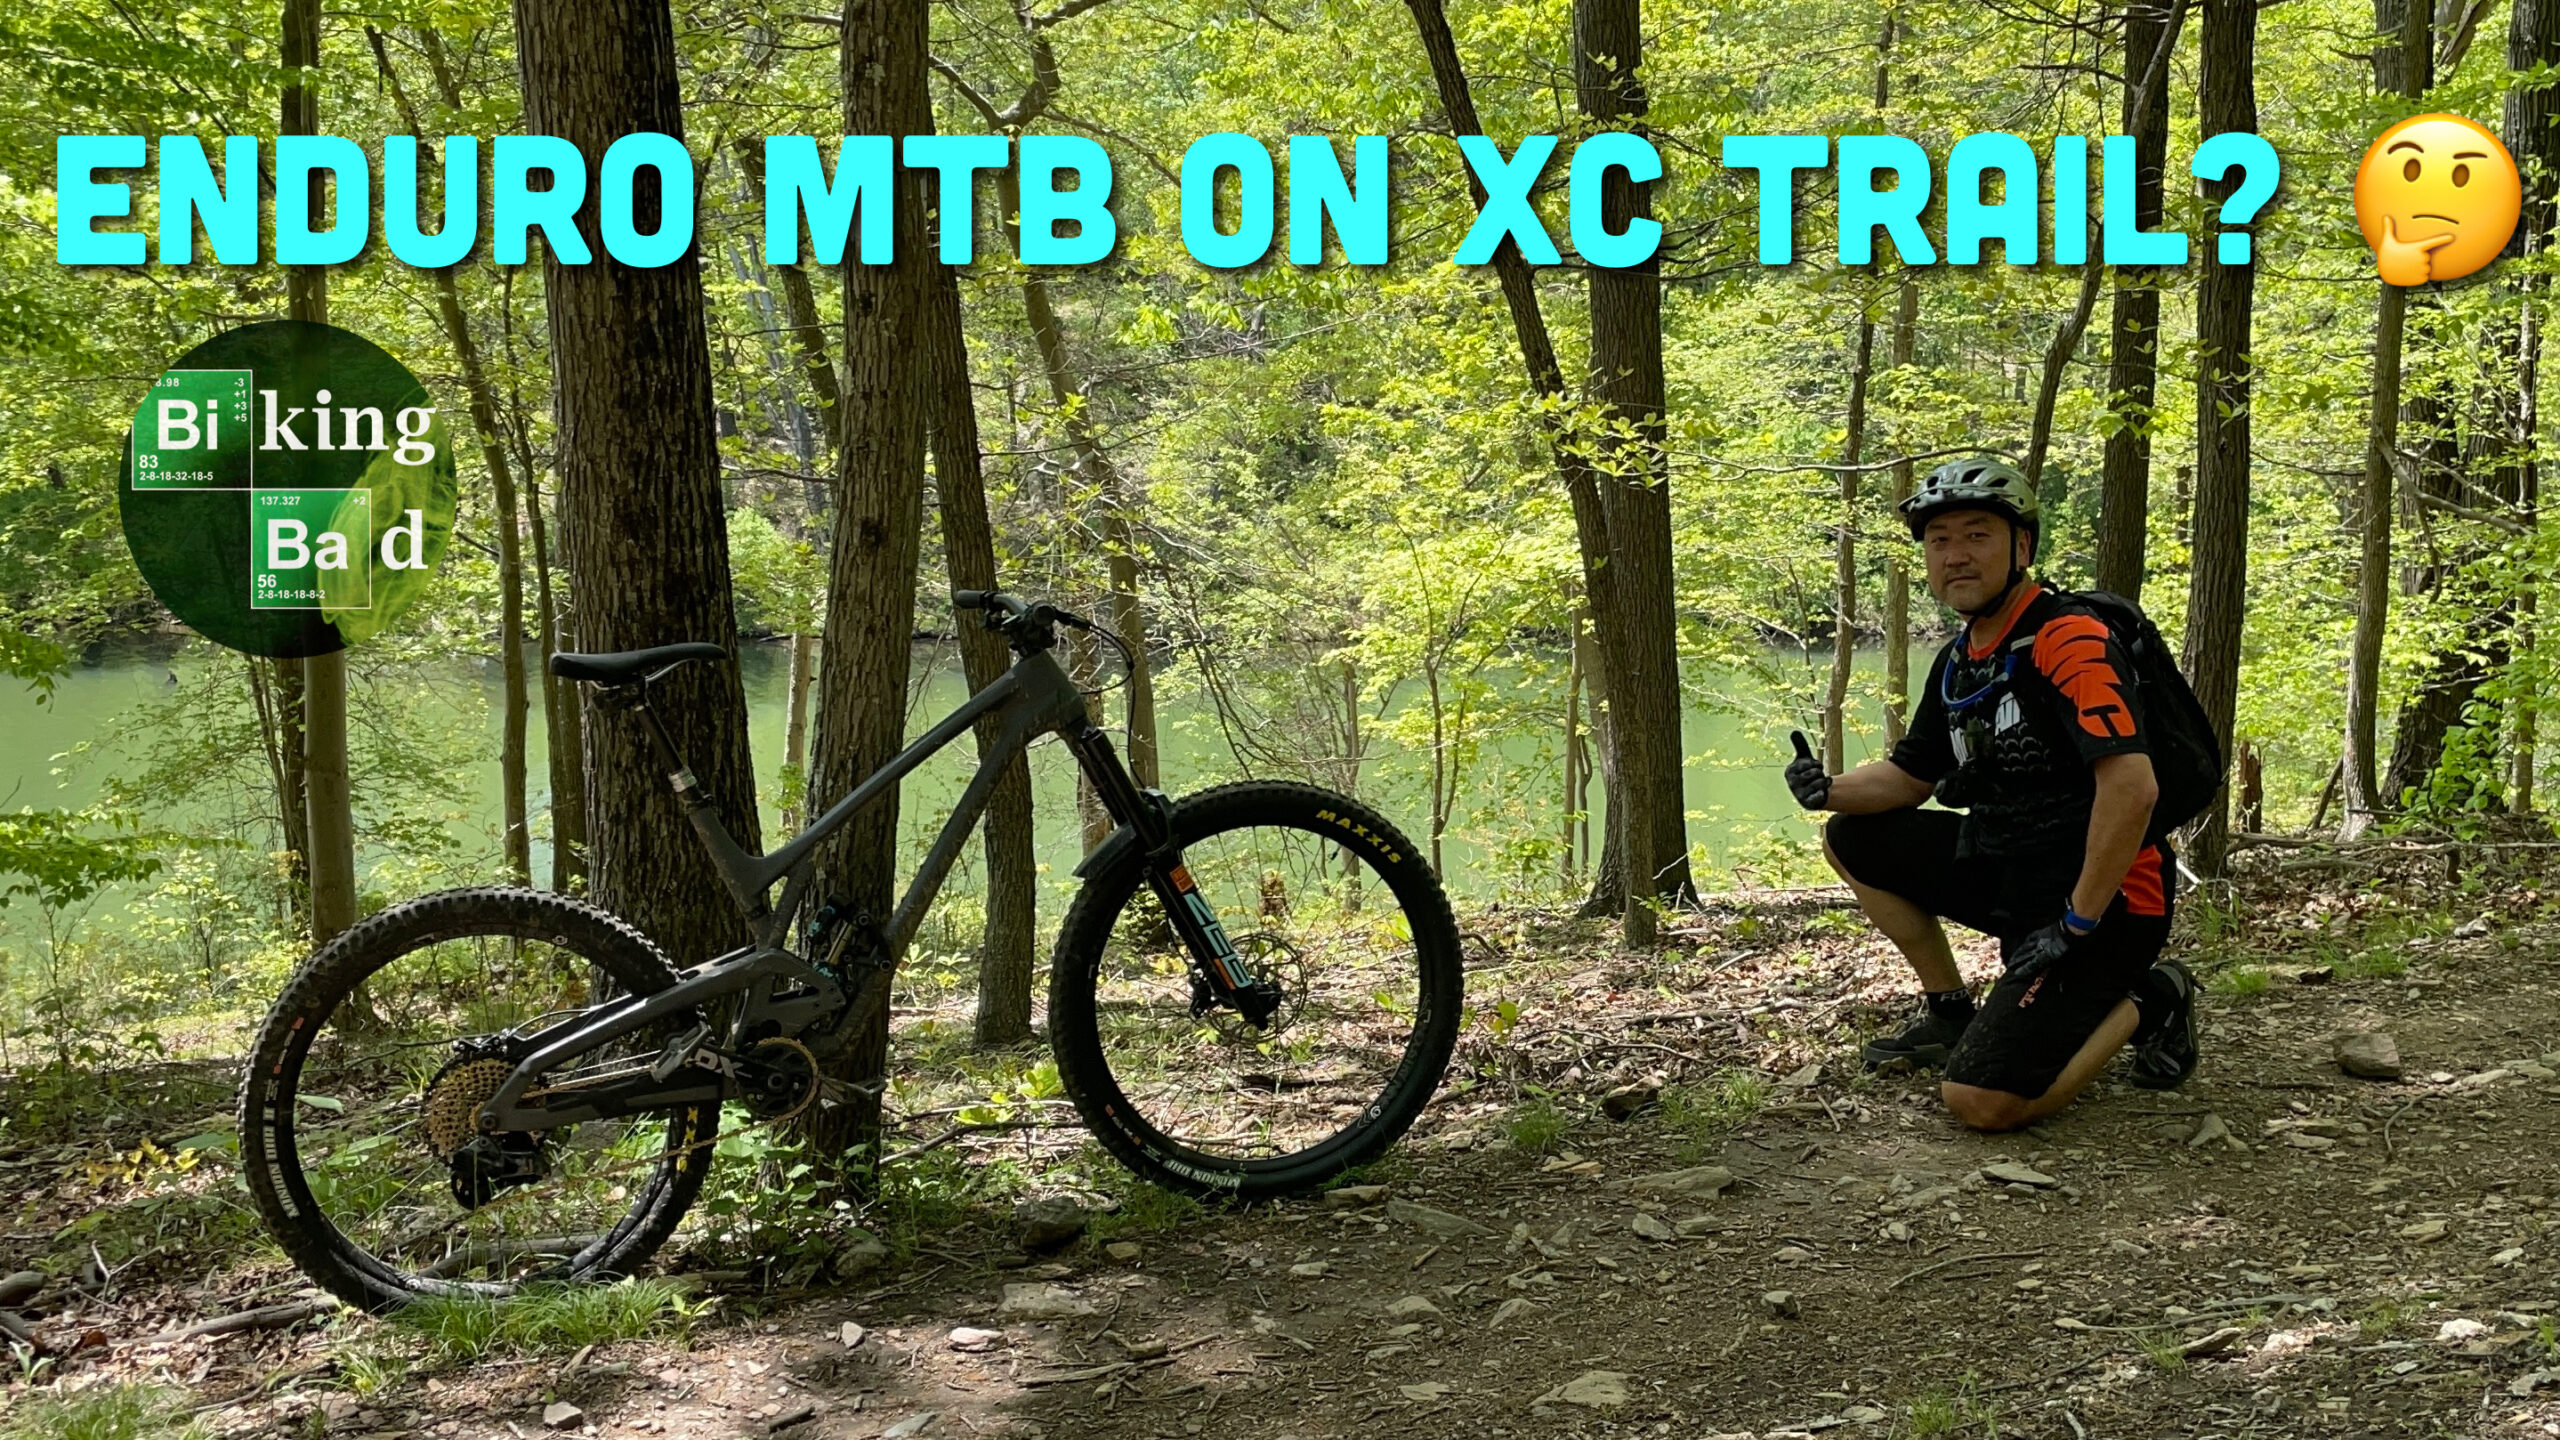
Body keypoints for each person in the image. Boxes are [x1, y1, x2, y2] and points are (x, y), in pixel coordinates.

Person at [1783, 456, 2198, 1132]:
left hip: (2108, 900)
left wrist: (2076, 924)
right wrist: (1829, 790)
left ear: (2022, 547)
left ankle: (2154, 996)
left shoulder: (2070, 640)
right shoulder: (1961, 658)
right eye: (1939, 540)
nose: (1956, 556)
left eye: (1978, 535)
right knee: (1853, 837)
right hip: (2012, 870)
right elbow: (1911, 779)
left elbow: (2132, 787)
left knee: (1982, 1102)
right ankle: (1950, 1013)